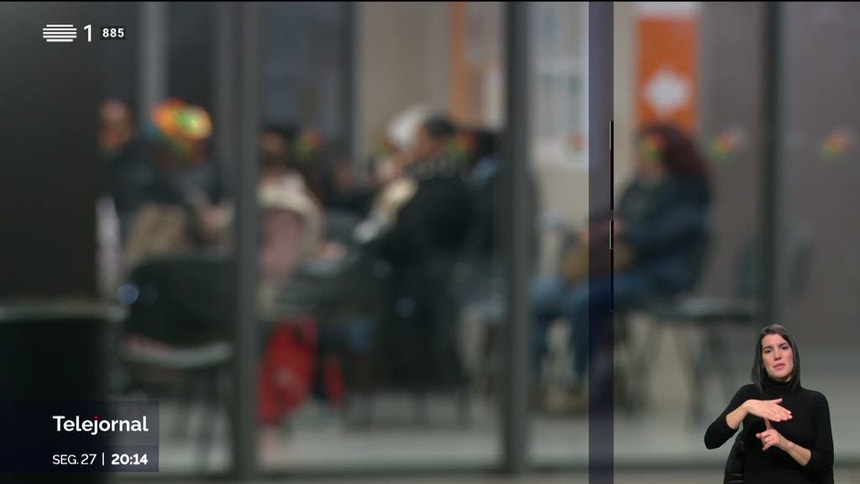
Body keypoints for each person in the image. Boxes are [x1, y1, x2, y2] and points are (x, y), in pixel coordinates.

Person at [531, 122, 712, 414]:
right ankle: (533, 382)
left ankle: (583, 384)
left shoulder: (690, 193)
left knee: (582, 300)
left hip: (656, 276)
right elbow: (610, 216)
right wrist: (596, 229)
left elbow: (662, 238)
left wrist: (625, 232)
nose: (641, 156)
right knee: (537, 297)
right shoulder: (637, 187)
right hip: (614, 270)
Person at [704, 324, 834, 483]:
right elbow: (711, 440)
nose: (777, 355)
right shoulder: (749, 395)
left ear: (793, 354)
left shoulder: (815, 401)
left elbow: (824, 465)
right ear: (762, 362)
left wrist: (785, 444)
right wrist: (746, 407)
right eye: (768, 350)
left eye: (783, 347)